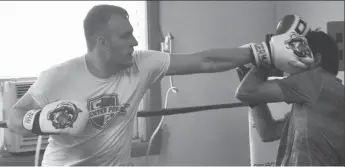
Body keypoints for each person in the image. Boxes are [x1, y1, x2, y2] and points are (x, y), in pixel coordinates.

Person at [5, 5, 308, 166]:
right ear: (101, 42)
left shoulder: (141, 62)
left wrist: (262, 51)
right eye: (125, 36)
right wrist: (40, 120)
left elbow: (204, 61)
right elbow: (15, 116)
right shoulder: (58, 77)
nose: (134, 41)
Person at [235, 29, 345, 166]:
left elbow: (245, 92)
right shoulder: (317, 96)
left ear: (316, 60)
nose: (291, 60)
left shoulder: (315, 81)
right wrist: (253, 100)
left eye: (297, 52)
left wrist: (268, 59)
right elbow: (268, 132)